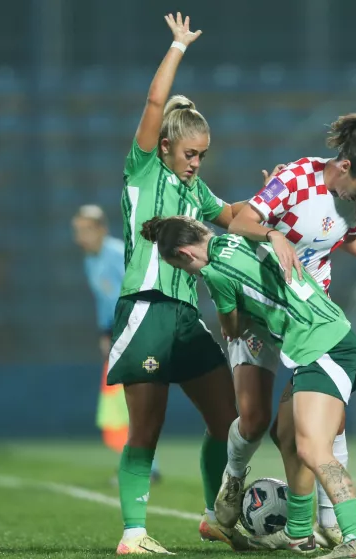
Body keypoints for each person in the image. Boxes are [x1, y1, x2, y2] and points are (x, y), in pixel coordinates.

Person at [214, 114, 356, 547]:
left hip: (307, 319)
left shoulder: (354, 197)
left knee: (310, 428)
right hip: (260, 311)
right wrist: (273, 234)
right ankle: (233, 481)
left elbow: (349, 237)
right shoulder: (294, 177)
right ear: (345, 166)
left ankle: (317, 526)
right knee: (254, 421)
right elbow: (240, 222)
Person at [141, 215, 356, 559]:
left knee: (313, 450)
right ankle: (298, 532)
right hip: (329, 339)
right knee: (285, 433)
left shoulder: (213, 273)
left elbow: (233, 329)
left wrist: (237, 314)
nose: (189, 274)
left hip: (323, 349)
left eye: (182, 268)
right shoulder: (245, 237)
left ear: (184, 253)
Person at [107, 13, 251, 554]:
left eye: (203, 155)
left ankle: (218, 517)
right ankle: (134, 533)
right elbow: (151, 106)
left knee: (229, 420)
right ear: (165, 146)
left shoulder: (197, 192)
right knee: (146, 428)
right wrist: (176, 47)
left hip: (186, 319)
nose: (196, 163)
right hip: (145, 309)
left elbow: (233, 213)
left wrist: (273, 210)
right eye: (190, 153)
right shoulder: (144, 168)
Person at [71, 204, 159, 483]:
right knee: (120, 407)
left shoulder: (116, 254)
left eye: (86, 230)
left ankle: (139, 467)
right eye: (77, 231)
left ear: (101, 229)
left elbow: (138, 293)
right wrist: (103, 334)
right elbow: (104, 301)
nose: (81, 236)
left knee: (130, 403)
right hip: (117, 337)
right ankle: (142, 465)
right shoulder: (90, 259)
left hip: (135, 333)